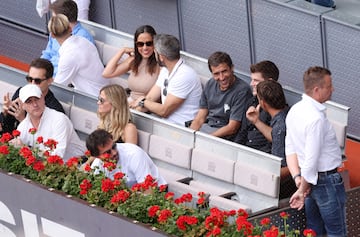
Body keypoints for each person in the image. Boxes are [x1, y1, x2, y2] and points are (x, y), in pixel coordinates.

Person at [285, 66, 346, 235]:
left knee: (314, 231)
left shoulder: (295, 110)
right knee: (336, 232)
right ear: (317, 90)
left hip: (308, 182)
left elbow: (290, 148)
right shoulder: (315, 119)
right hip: (325, 182)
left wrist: (298, 180)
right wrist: (302, 189)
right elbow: (311, 160)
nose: (332, 89)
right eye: (329, 85)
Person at [134, 34, 202, 126]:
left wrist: (142, 102)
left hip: (182, 129)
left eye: (155, 53)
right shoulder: (165, 70)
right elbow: (150, 98)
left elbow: (164, 111)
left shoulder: (185, 75)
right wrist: (132, 112)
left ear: (161, 57)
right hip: (167, 125)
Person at [190, 51, 251, 141]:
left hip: (225, 136)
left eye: (224, 71)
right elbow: (200, 116)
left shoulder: (242, 90)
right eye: (216, 74)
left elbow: (232, 127)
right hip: (208, 128)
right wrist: (191, 135)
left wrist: (206, 139)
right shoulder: (210, 83)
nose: (222, 77)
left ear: (232, 68)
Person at [15, 84, 85, 161]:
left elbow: (57, 156)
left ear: (43, 98)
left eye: (37, 99)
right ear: (22, 106)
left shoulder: (59, 119)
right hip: (51, 167)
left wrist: (27, 151)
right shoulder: (23, 126)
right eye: (29, 101)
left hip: (77, 166)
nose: (35, 104)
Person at [48, 14, 109, 96]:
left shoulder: (69, 56)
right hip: (102, 92)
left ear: (52, 35)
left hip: (94, 98)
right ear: (70, 28)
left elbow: (58, 88)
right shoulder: (83, 40)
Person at [0, 58, 64, 135]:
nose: (32, 84)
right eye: (29, 79)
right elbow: (7, 129)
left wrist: (23, 120)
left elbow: (43, 141)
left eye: (37, 81)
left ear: (49, 81)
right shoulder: (21, 93)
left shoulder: (55, 109)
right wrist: (6, 113)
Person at [85, 129, 166, 187]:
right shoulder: (97, 164)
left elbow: (148, 190)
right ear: (97, 156)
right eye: (107, 152)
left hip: (156, 191)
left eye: (114, 146)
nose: (114, 152)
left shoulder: (134, 154)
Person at [102, 25, 160, 107]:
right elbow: (107, 73)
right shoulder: (134, 60)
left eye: (149, 43)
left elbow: (156, 97)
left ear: (155, 43)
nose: (145, 48)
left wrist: (137, 105)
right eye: (140, 44)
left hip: (145, 107)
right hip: (129, 103)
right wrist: (122, 51)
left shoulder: (160, 64)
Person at [256, 80, 296, 199]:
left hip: (289, 188)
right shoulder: (289, 113)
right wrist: (256, 121)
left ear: (263, 103)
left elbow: (281, 169)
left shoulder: (280, 127)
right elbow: (275, 135)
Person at [234, 60, 280, 153]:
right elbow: (242, 133)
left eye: (256, 80)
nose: (252, 84)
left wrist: (256, 121)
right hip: (245, 151)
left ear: (269, 82)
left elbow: (276, 139)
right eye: (252, 80)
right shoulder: (251, 101)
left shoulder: (278, 107)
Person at [41, 0, 95, 77]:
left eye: (54, 18)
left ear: (62, 20)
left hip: (62, 78)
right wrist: (39, 69)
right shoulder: (55, 30)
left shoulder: (83, 38)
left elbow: (74, 68)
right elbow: (48, 53)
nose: (52, 20)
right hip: (48, 74)